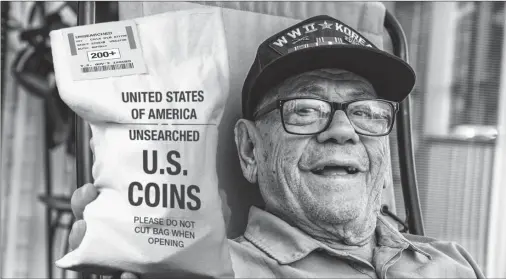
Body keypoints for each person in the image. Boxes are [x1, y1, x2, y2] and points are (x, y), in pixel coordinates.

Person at [68, 15, 485, 278]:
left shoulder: (452, 261)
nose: (342, 130)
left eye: (367, 111)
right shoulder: (211, 270)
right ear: (251, 149)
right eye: (305, 109)